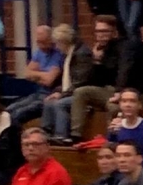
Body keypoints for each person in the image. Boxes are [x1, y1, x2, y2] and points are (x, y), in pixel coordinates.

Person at [69, 15, 122, 143]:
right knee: (80, 92)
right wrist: (96, 61)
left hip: (120, 91)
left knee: (113, 107)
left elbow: (118, 75)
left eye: (104, 31)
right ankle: (76, 135)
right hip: (105, 90)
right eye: (98, 31)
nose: (100, 35)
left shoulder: (122, 49)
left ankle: (112, 140)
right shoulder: (98, 50)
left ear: (114, 32)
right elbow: (96, 81)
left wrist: (101, 62)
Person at [40, 25, 93, 144]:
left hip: (83, 94)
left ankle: (62, 136)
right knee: (48, 101)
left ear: (64, 41)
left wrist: (62, 94)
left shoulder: (82, 54)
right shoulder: (69, 54)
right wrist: (58, 91)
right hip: (71, 91)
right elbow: (68, 80)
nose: (57, 47)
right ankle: (46, 133)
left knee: (60, 103)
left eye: (58, 43)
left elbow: (81, 81)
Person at [7, 25, 64, 126]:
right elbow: (27, 74)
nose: (40, 45)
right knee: (9, 110)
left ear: (51, 40)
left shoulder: (58, 54)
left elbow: (49, 81)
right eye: (38, 42)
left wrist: (36, 76)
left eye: (43, 42)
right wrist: (43, 75)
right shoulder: (39, 52)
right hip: (38, 92)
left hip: (50, 95)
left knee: (18, 113)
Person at [6, 127, 72, 185]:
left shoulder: (56, 173)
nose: (30, 148)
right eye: (26, 145)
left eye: (35, 144)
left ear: (47, 146)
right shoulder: (22, 171)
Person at [107, 89, 143, 169]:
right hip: (119, 171)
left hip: (142, 171)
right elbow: (110, 155)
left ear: (139, 105)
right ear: (120, 104)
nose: (128, 105)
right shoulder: (116, 126)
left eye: (132, 101)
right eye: (124, 101)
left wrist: (132, 162)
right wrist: (112, 135)